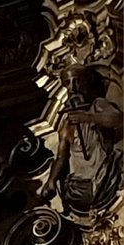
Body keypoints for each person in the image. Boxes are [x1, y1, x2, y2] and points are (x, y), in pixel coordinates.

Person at [39, 67, 123, 215]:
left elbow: (118, 119)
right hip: (80, 185)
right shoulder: (67, 123)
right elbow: (61, 157)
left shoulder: (97, 105)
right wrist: (51, 181)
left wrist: (88, 118)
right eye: (68, 83)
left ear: (87, 82)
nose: (73, 88)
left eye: (76, 81)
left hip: (105, 172)